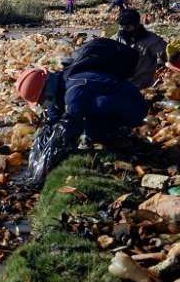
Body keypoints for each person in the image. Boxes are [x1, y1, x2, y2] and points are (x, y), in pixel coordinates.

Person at [15, 39, 147, 182]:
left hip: (133, 106)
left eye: (40, 101)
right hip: (114, 101)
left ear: (45, 91)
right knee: (81, 122)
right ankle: (104, 133)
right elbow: (53, 118)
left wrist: (56, 153)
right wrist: (42, 140)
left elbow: (69, 124)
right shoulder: (60, 84)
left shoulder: (74, 88)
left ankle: (115, 134)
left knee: (88, 122)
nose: (42, 104)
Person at [112, 9, 167, 89]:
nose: (123, 29)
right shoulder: (117, 38)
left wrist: (162, 61)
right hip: (121, 84)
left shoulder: (151, 40)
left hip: (143, 86)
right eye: (121, 25)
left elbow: (166, 56)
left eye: (127, 26)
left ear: (136, 24)